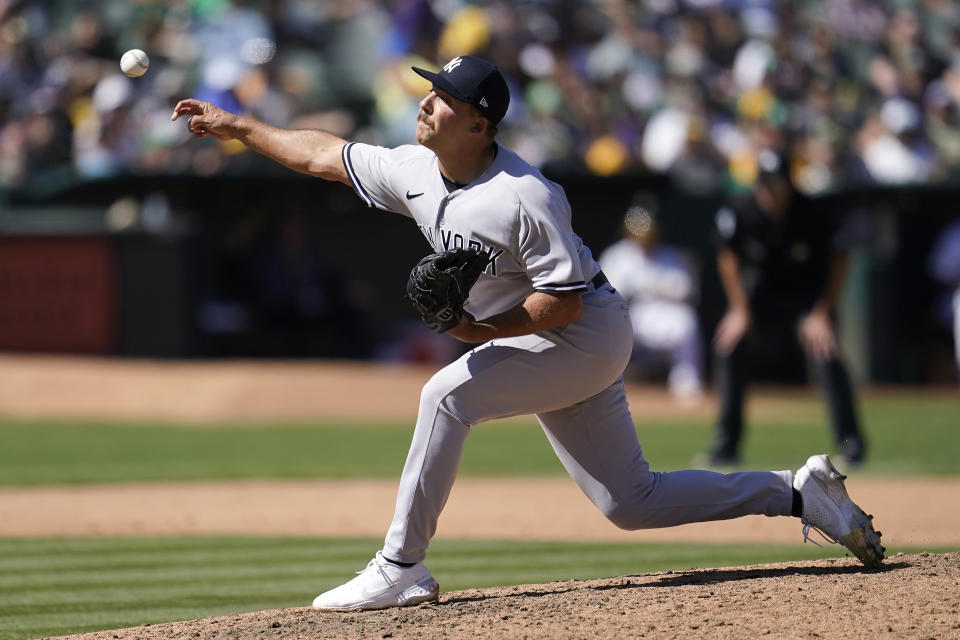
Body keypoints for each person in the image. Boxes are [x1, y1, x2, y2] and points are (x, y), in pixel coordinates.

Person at [171, 56, 884, 612]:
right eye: (429, 91)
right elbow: (321, 156)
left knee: (445, 397)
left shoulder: (525, 195)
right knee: (630, 503)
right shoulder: (417, 167)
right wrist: (238, 128)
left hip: (585, 335)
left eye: (442, 98)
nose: (425, 102)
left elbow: (564, 303)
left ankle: (399, 567)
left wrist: (483, 330)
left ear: (479, 124)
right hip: (553, 341)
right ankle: (799, 492)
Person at [706, 150, 867, 467]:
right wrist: (738, 309)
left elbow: (841, 259)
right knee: (729, 345)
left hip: (804, 300)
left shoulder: (812, 211)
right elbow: (727, 257)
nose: (769, 192)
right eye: (764, 185)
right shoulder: (741, 210)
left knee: (825, 351)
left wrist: (822, 314)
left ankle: (851, 445)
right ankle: (725, 446)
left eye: (776, 185)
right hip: (757, 298)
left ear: (789, 185)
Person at [598, 200, 704, 402]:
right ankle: (605, 384)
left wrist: (656, 287)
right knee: (606, 320)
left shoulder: (670, 255)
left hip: (663, 314)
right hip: (629, 316)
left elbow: (687, 290)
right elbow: (604, 295)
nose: (643, 234)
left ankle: (687, 384)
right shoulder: (617, 255)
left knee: (686, 321)